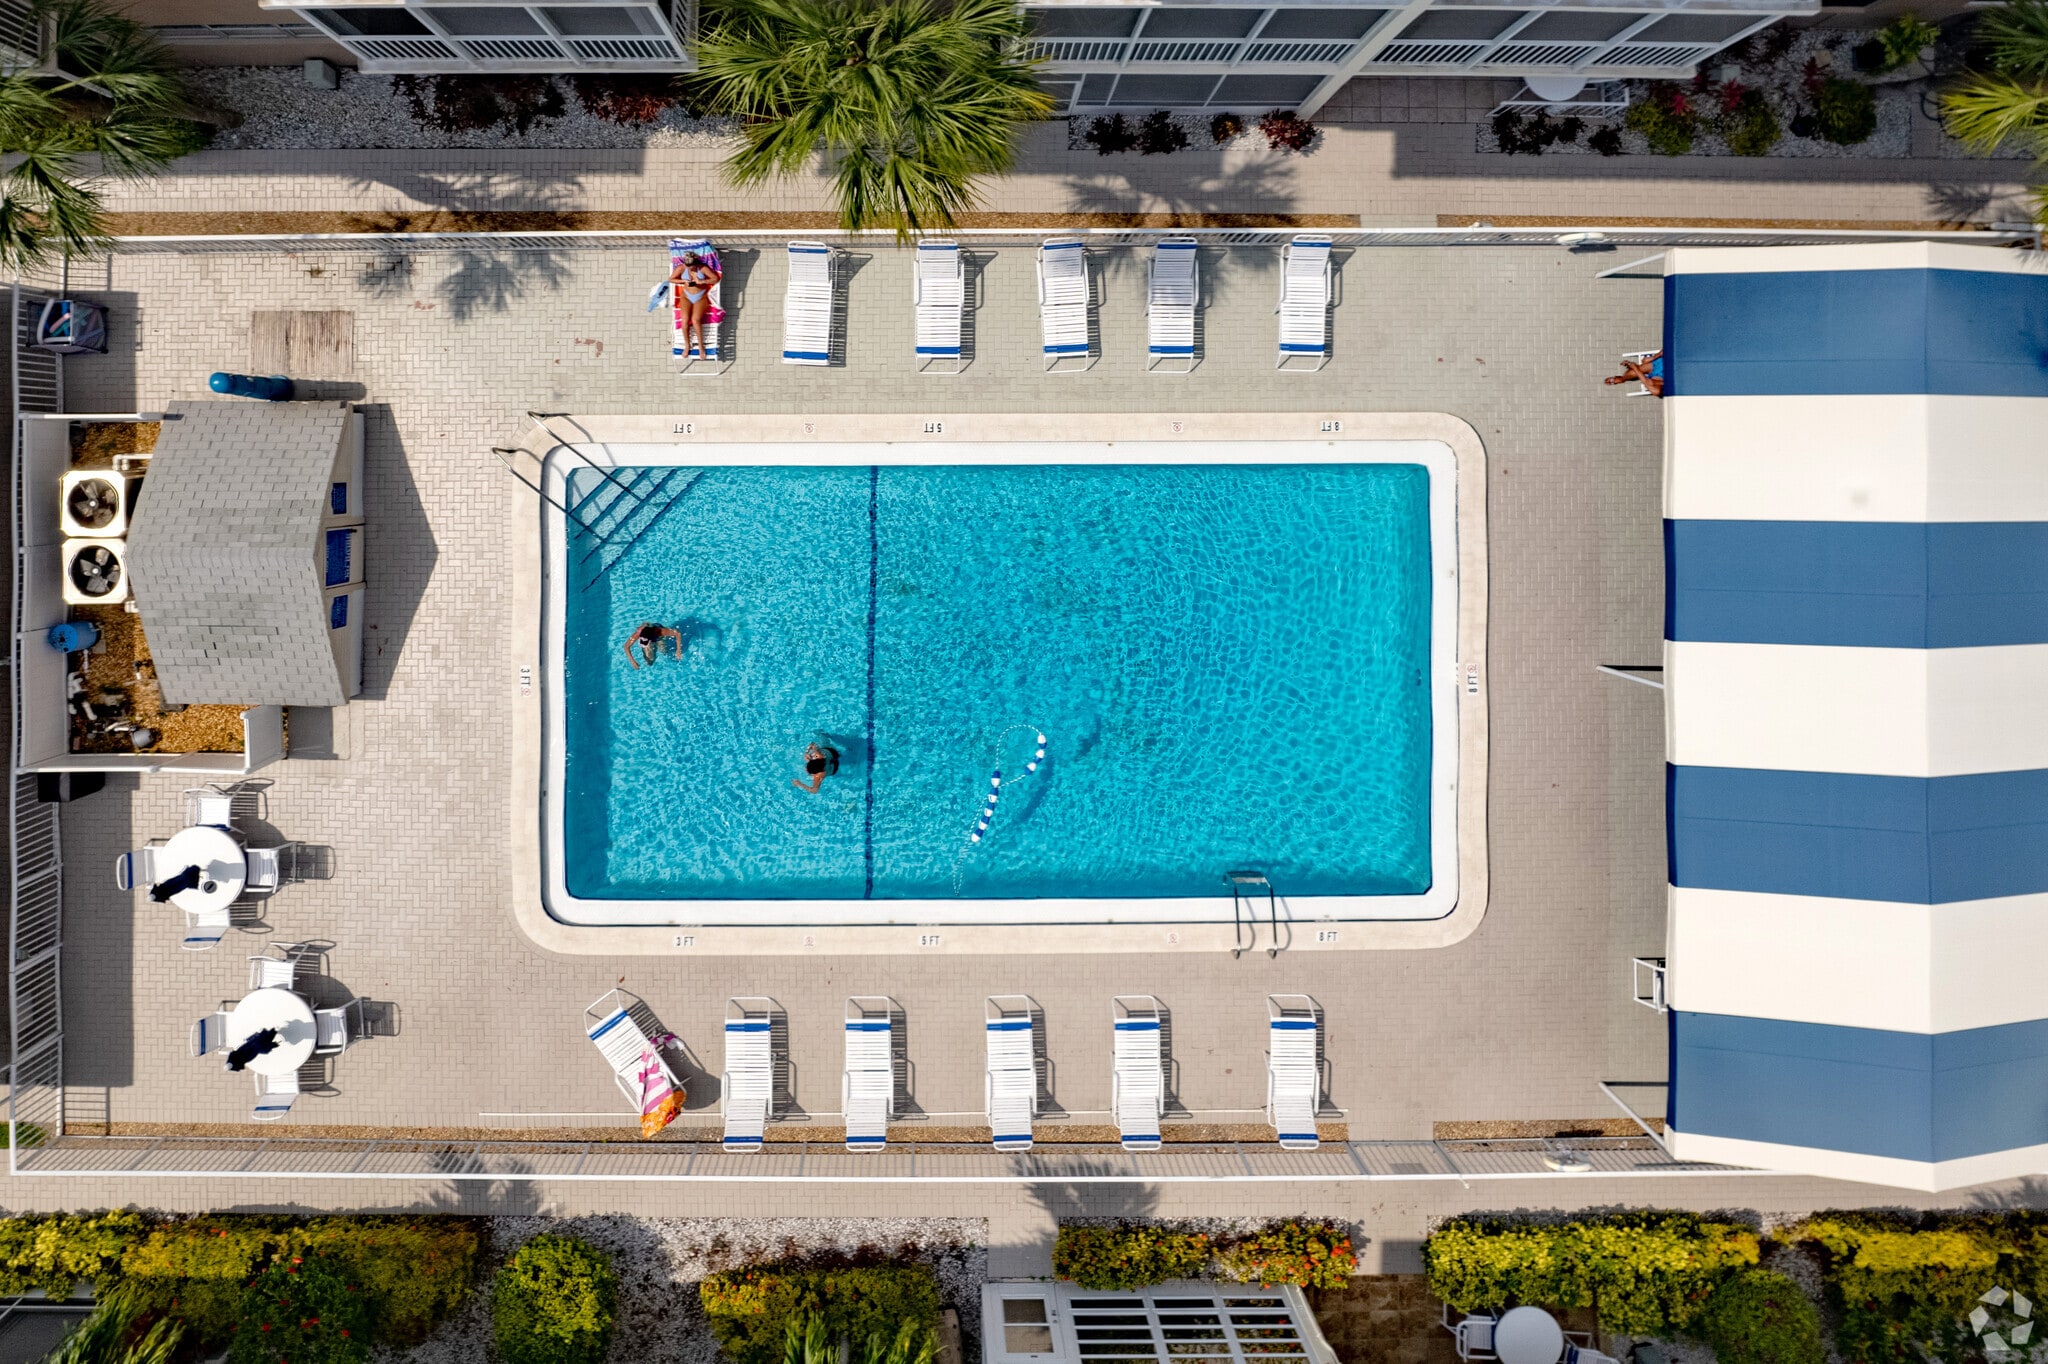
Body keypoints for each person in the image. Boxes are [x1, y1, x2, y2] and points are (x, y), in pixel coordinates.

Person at [670, 251, 722, 360]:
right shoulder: (682, 268)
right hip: (686, 296)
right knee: (685, 320)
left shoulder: (702, 268)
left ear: (696, 263)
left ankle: (701, 346)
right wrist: (683, 280)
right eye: (688, 267)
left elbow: (715, 279)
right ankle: (687, 345)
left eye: (692, 267)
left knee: (695, 320)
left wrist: (702, 281)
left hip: (700, 297)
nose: (690, 269)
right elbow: (671, 279)